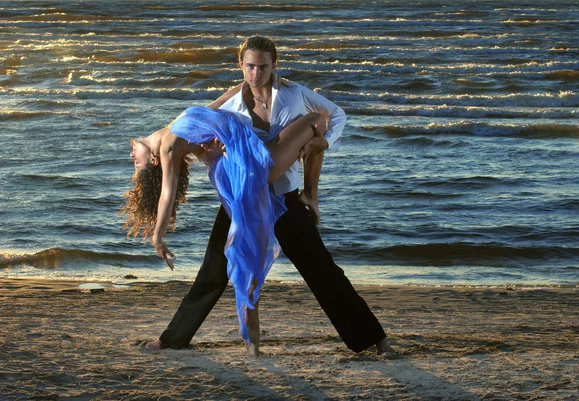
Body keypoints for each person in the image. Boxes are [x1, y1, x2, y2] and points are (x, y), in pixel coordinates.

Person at [144, 36, 393, 356]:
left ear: (275, 64)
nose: (256, 73)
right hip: (241, 204)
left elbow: (337, 114)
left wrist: (325, 142)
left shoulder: (295, 94)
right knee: (213, 274)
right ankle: (171, 340)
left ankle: (375, 338)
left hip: (285, 201)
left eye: (263, 66)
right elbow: (191, 123)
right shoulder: (231, 103)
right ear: (240, 65)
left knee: (322, 271)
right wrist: (172, 150)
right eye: (249, 66)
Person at [123, 105, 327, 354]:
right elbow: (168, 193)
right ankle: (311, 194)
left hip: (242, 160)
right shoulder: (168, 146)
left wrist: (239, 88)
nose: (132, 158)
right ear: (154, 160)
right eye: (138, 165)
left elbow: (217, 105)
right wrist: (157, 238)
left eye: (134, 161)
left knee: (246, 255)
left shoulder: (174, 129)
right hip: (247, 164)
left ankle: (251, 344)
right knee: (243, 255)